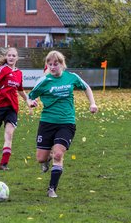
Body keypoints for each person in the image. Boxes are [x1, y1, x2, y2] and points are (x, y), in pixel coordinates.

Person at [28, 50, 98, 198]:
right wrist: (32, 102)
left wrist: (92, 103)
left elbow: (86, 87)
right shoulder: (44, 81)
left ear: (62, 64)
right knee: (40, 157)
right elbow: (30, 96)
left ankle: (52, 188)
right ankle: (46, 160)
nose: (53, 67)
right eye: (50, 64)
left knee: (58, 155)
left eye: (56, 64)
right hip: (47, 122)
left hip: (66, 123)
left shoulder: (71, 77)